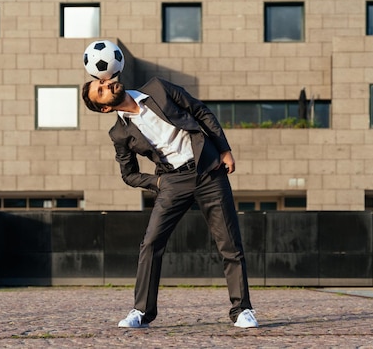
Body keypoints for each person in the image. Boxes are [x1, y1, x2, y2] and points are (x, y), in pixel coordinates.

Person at [81, 76, 258, 329]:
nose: (106, 85)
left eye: (104, 81)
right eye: (100, 90)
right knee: (151, 243)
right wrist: (158, 183)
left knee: (229, 242)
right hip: (172, 181)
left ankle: (242, 310)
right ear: (105, 108)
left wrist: (224, 148)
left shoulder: (157, 88)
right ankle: (141, 312)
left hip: (209, 169)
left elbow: (199, 110)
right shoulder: (119, 133)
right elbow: (128, 174)